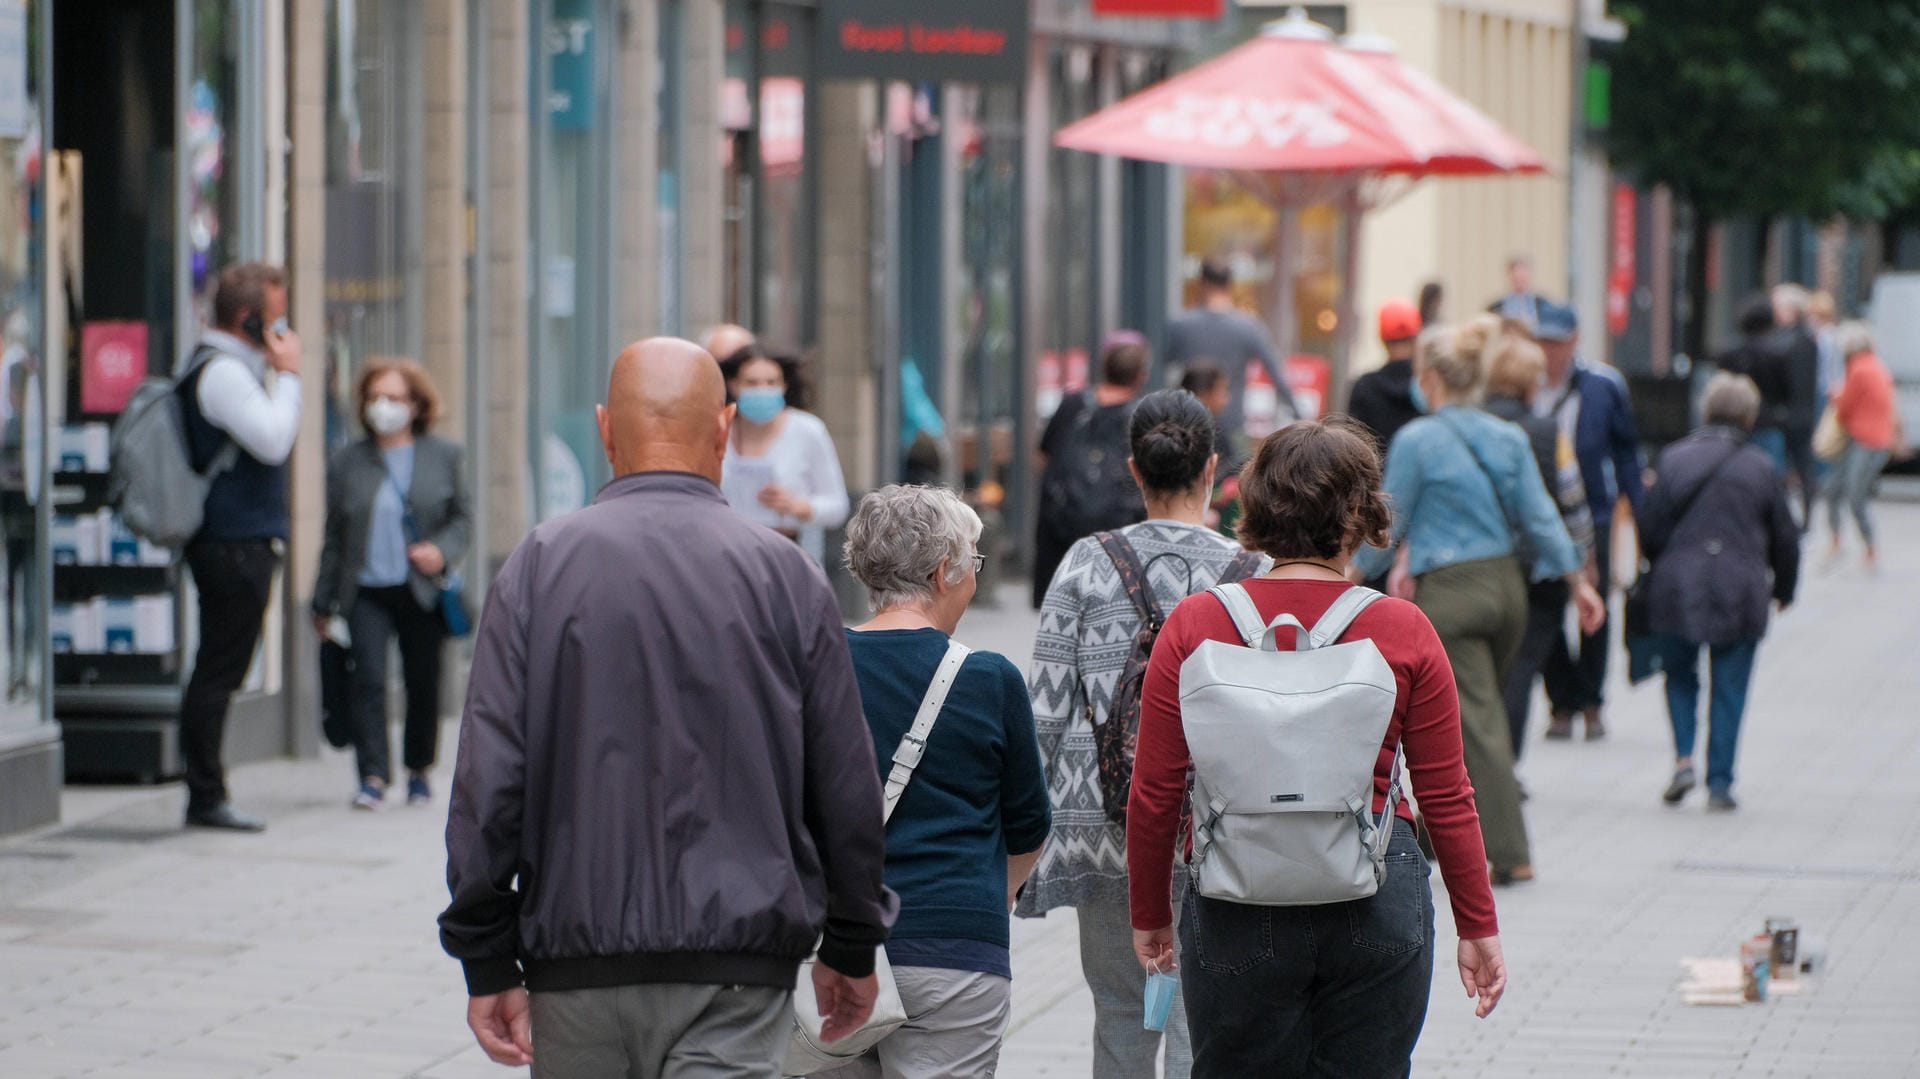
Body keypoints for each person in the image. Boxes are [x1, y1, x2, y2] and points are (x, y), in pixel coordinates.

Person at [440, 339, 896, 1079]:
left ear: (603, 429)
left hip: (574, 965)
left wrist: (486, 953)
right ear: (722, 427)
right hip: (738, 969)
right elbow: (845, 777)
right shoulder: (785, 573)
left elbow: (488, 778)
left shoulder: (539, 564)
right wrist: (850, 941)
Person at [1127, 418, 1508, 1073]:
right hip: (1376, 895)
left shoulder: (1196, 623)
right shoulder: (1402, 627)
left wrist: (1151, 910)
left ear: (1254, 504)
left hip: (1234, 900)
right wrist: (1478, 923)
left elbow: (1156, 787)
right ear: (1361, 514)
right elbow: (1447, 792)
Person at [1019, 389, 1265, 1079]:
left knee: (1122, 1017)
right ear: (1213, 468)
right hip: (1220, 836)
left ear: (1134, 469)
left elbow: (1044, 712)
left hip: (1105, 829)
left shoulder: (1086, 563)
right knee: (1203, 1020)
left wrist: (1024, 842)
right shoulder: (1250, 575)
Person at [1355, 317, 1605, 886]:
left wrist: (1346, 573)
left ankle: (1510, 851)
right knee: (1470, 712)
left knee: (1476, 723)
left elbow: (1389, 526)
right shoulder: (1507, 436)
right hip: (1507, 590)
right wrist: (1579, 583)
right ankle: (1436, 832)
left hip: (1452, 593)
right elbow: (1542, 518)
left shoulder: (1419, 439)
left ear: (1433, 378)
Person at [830, 485, 1051, 1079]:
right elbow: (1030, 823)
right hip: (955, 952)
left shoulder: (818, 666)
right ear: (942, 571)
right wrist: (990, 897)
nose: (975, 578)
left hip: (833, 950)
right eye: (974, 562)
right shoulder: (989, 679)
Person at [311, 360, 470, 810]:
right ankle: (374, 776)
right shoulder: (348, 461)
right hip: (364, 590)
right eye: (375, 397)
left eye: (395, 398)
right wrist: (322, 601)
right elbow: (334, 536)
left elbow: (463, 520)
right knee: (369, 682)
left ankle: (419, 770)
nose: (383, 407)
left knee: (423, 681)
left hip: (420, 588)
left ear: (416, 405)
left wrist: (441, 549)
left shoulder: (444, 456)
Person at [177, 263, 303, 832]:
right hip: (231, 544)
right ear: (249, 321)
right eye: (276, 320)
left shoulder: (233, 368)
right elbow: (274, 440)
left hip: (237, 541)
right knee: (218, 672)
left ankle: (206, 790)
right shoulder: (224, 374)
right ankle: (204, 795)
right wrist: (292, 375)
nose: (283, 332)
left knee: (220, 669)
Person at [1638, 373, 1799, 811]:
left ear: (1705, 411)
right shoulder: (1762, 466)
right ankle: (1721, 781)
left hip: (1677, 583)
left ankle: (1684, 758)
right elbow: (1786, 536)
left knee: (1680, 674)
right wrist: (1784, 588)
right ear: (1749, 416)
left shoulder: (1672, 459)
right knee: (1730, 685)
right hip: (1741, 586)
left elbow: (1648, 527)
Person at [1480, 333, 1594, 760]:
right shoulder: (1549, 432)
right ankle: (1505, 766)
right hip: (1540, 573)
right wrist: (1583, 563)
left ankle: (1481, 767)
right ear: (1532, 383)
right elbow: (1572, 502)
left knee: (1481, 672)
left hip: (1483, 566)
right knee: (1521, 670)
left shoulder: (1469, 429)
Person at [1533, 301, 1643, 741]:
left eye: (1557, 342)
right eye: (1543, 341)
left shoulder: (1602, 385)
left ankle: (1593, 702)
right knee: (1544, 608)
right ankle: (1563, 701)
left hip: (1593, 512)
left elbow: (1626, 450)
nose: (1549, 351)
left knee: (1593, 606)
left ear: (1574, 341)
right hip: (1539, 514)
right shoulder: (1527, 382)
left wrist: (1639, 506)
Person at [1032, 333, 1151, 608]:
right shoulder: (1141, 414)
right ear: (1140, 376)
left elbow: (1043, 454)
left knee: (1062, 605)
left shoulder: (1072, 404)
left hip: (1062, 525)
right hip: (1115, 527)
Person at [718, 349, 849, 566]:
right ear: (733, 385)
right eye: (752, 383)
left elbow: (837, 506)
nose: (762, 390)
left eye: (771, 383)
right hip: (727, 552)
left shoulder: (808, 431)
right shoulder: (720, 429)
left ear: (784, 386)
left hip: (786, 552)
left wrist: (797, 506)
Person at [1161, 259, 1301, 448]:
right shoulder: (1248, 326)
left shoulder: (1181, 325)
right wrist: (1299, 414)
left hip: (1188, 424)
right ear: (1230, 285)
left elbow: (1164, 365)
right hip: (1232, 424)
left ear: (1202, 283)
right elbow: (1276, 372)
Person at [1824, 322, 1900, 569]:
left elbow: (1845, 406)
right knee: (1838, 489)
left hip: (1864, 439)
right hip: (1875, 439)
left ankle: (1866, 547)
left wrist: (1835, 394)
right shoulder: (1876, 365)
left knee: (1853, 494)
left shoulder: (1858, 369)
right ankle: (1845, 542)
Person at [1348, 298, 1425, 454]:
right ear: (1416, 338)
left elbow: (1352, 446)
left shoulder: (1364, 386)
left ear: (1382, 339)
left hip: (1375, 477)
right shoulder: (1428, 386)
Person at [1487, 254, 1544, 329]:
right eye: (1516, 277)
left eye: (1522, 277)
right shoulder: (1495, 308)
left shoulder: (1543, 305)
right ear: (1509, 277)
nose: (1519, 281)